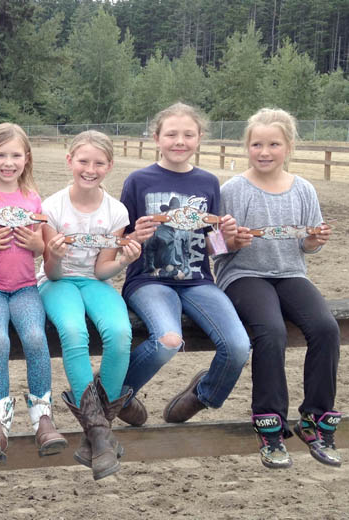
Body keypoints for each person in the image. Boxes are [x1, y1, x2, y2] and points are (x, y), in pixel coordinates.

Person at [214, 108, 341, 469]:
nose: (264, 152)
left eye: (273, 144)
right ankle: (269, 423)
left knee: (326, 328)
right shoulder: (233, 190)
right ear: (247, 146)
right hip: (244, 274)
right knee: (271, 331)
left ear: (288, 147)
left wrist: (315, 241)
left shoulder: (303, 189)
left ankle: (315, 418)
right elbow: (214, 245)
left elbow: (307, 245)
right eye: (257, 144)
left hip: (290, 273)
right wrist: (231, 241)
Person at [116, 102, 250, 428]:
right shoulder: (138, 181)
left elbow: (212, 246)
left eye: (188, 135)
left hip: (198, 281)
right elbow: (120, 238)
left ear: (200, 137)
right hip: (149, 280)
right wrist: (135, 236)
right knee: (167, 341)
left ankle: (203, 395)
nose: (180, 141)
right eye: (172, 134)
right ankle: (116, 393)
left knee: (238, 346)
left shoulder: (208, 182)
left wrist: (229, 240)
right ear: (156, 138)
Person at [38, 130, 141, 480]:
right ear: (70, 161)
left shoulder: (116, 211)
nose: (90, 169)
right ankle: (99, 432)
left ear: (109, 166)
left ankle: (97, 433)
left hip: (95, 282)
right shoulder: (52, 207)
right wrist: (53, 255)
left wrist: (124, 260)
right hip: (58, 282)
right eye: (83, 161)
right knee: (72, 331)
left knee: (120, 333)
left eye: (99, 163)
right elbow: (51, 273)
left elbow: (101, 270)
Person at [0, 123, 67, 463]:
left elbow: (42, 249)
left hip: (25, 288)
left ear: (26, 158)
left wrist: (37, 244)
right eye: (0, 155)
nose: (8, 162)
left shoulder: (32, 198)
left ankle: (43, 416)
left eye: (15, 155)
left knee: (36, 338)